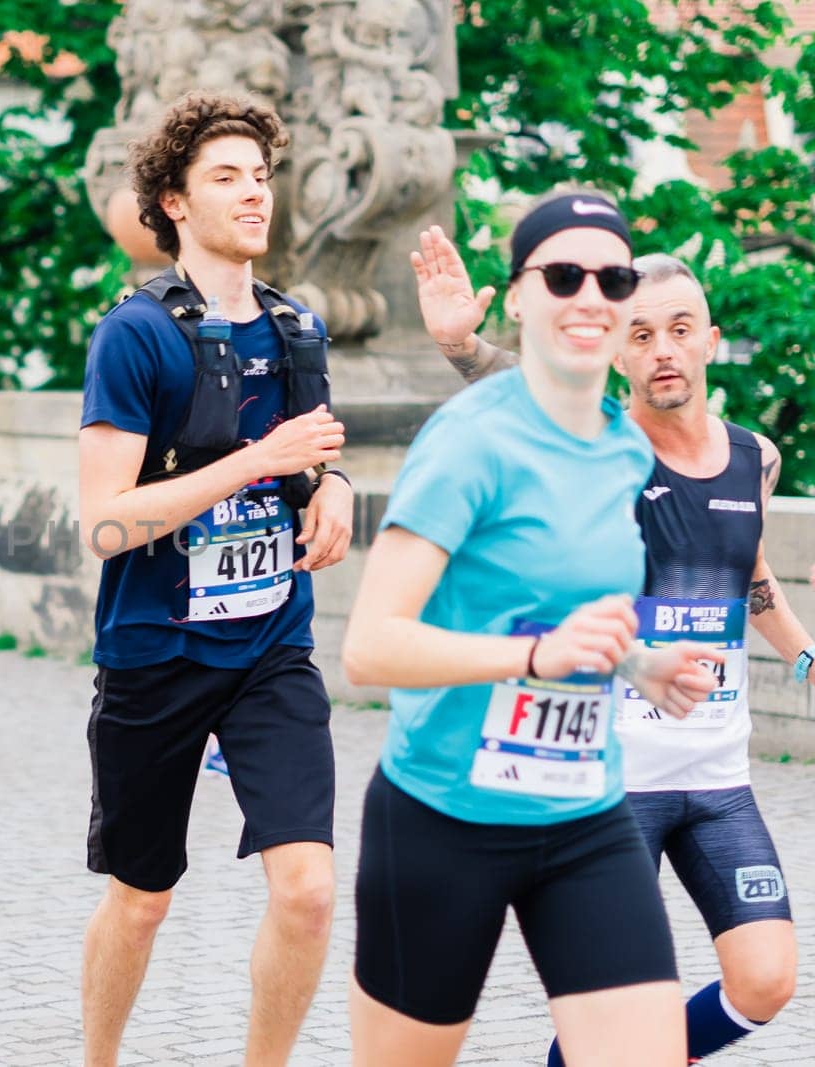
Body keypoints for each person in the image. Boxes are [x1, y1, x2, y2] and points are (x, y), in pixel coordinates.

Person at [341, 193, 724, 1066]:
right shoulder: (470, 443)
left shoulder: (624, 447)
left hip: (585, 814)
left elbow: (564, 601)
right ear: (516, 296)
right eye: (563, 274)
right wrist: (534, 657)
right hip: (444, 817)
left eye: (613, 276)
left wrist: (641, 662)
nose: (591, 294)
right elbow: (370, 646)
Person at [413, 225, 801, 1063]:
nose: (663, 350)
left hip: (719, 778)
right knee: (618, 1025)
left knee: (766, 981)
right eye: (640, 334)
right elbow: (522, 384)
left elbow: (753, 574)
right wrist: (461, 343)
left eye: (680, 328)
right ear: (618, 353)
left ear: (711, 338)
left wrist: (805, 654)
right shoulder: (596, 445)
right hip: (612, 784)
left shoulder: (754, 459)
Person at [77, 90, 353, 1066]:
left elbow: (308, 463)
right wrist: (254, 460)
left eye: (261, 176)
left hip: (271, 645)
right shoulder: (134, 334)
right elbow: (104, 522)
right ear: (175, 203)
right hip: (155, 650)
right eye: (225, 177)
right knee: (143, 897)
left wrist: (334, 492)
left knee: (309, 887)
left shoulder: (297, 329)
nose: (252, 195)